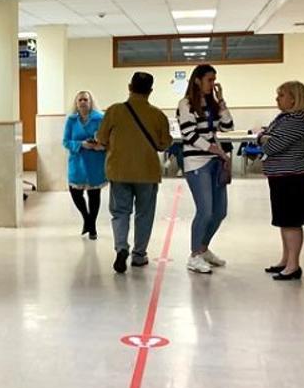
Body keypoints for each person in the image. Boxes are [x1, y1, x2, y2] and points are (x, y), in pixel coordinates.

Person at [96, 72, 173, 274]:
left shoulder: (114, 111)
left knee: (120, 212)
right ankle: (139, 255)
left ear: (129, 87)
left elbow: (102, 139)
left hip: (119, 170)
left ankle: (121, 248)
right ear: (150, 91)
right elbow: (164, 144)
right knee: (144, 214)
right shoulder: (158, 115)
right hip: (147, 172)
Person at [256, 81, 304, 281]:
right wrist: (265, 137)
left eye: (281, 95)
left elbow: (271, 145)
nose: (277, 99)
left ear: (294, 98)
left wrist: (262, 138)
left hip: (293, 178)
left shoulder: (297, 120)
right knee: (284, 221)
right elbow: (268, 136)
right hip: (283, 177)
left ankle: (293, 265)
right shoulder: (286, 118)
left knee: (291, 222)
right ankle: (286, 259)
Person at [177, 64, 234, 275]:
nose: (213, 84)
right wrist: (216, 151)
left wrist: (221, 103)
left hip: (214, 162)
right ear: (197, 80)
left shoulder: (211, 104)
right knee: (205, 211)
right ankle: (194, 255)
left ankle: (203, 248)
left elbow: (227, 126)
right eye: (210, 80)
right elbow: (190, 136)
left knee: (220, 212)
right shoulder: (185, 105)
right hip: (196, 164)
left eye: (214, 80)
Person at [63, 90, 106, 238]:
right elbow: (66, 141)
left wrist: (98, 144)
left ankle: (92, 227)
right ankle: (87, 218)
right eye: (80, 100)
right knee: (75, 192)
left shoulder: (100, 118)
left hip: (95, 162)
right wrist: (81, 144)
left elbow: (107, 138)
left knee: (94, 195)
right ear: (76, 103)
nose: (82, 102)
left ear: (91, 102)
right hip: (77, 161)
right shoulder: (71, 121)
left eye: (85, 100)